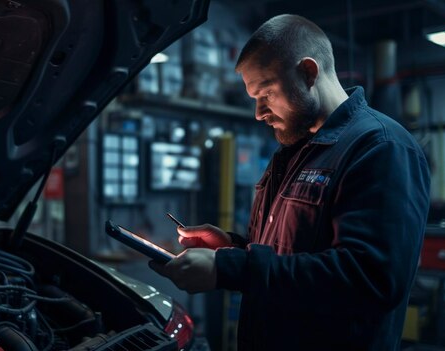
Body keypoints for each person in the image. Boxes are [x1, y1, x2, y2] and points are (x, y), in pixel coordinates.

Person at [149, 14, 430, 350]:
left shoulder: (380, 147)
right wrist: (231, 248)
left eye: (265, 93)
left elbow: (371, 278)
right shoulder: (296, 151)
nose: (258, 112)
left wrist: (232, 268)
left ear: (308, 72)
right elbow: (293, 255)